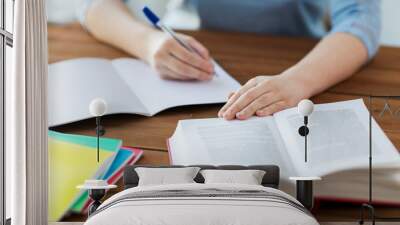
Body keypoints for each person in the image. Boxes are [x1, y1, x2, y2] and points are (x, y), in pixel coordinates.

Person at [79, 0, 381, 120]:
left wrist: (297, 82)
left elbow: (361, 20)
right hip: (213, 64)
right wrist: (148, 42)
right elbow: (93, 6)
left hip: (308, 62)